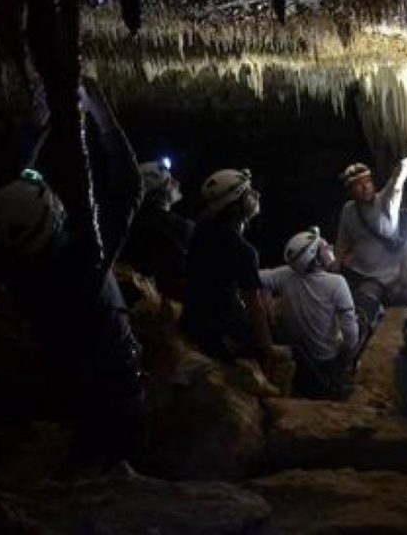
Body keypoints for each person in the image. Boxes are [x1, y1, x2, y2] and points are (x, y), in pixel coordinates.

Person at [0, 82, 144, 472]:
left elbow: (16, 176)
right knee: (113, 464)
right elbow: (128, 186)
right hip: (114, 387)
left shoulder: (16, 262)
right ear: (51, 219)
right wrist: (101, 114)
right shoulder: (82, 265)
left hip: (65, 382)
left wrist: (38, 120)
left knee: (82, 450)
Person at [183, 168, 279, 367]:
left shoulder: (201, 228)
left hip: (191, 321)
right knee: (291, 345)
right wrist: (268, 348)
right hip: (221, 337)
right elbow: (253, 305)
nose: (256, 195)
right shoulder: (243, 251)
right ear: (235, 205)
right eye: (248, 193)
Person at [260, 228, 359, 399]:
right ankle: (339, 379)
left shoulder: (286, 274)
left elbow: (254, 276)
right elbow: (351, 335)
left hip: (297, 351)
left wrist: (265, 300)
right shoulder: (337, 283)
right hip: (325, 358)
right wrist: (346, 356)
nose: (329, 248)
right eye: (323, 247)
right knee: (359, 322)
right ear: (314, 256)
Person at [335, 151, 407, 309]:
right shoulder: (348, 210)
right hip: (364, 274)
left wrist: (404, 164)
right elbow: (342, 242)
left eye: (368, 181)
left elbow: (396, 183)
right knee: (363, 303)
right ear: (350, 190)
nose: (365, 187)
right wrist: (336, 265)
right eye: (359, 184)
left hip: (392, 273)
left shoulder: (385, 201)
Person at [121, 158, 195, 299]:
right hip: (170, 304)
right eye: (170, 181)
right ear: (161, 191)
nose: (177, 183)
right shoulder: (182, 227)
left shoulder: (128, 225)